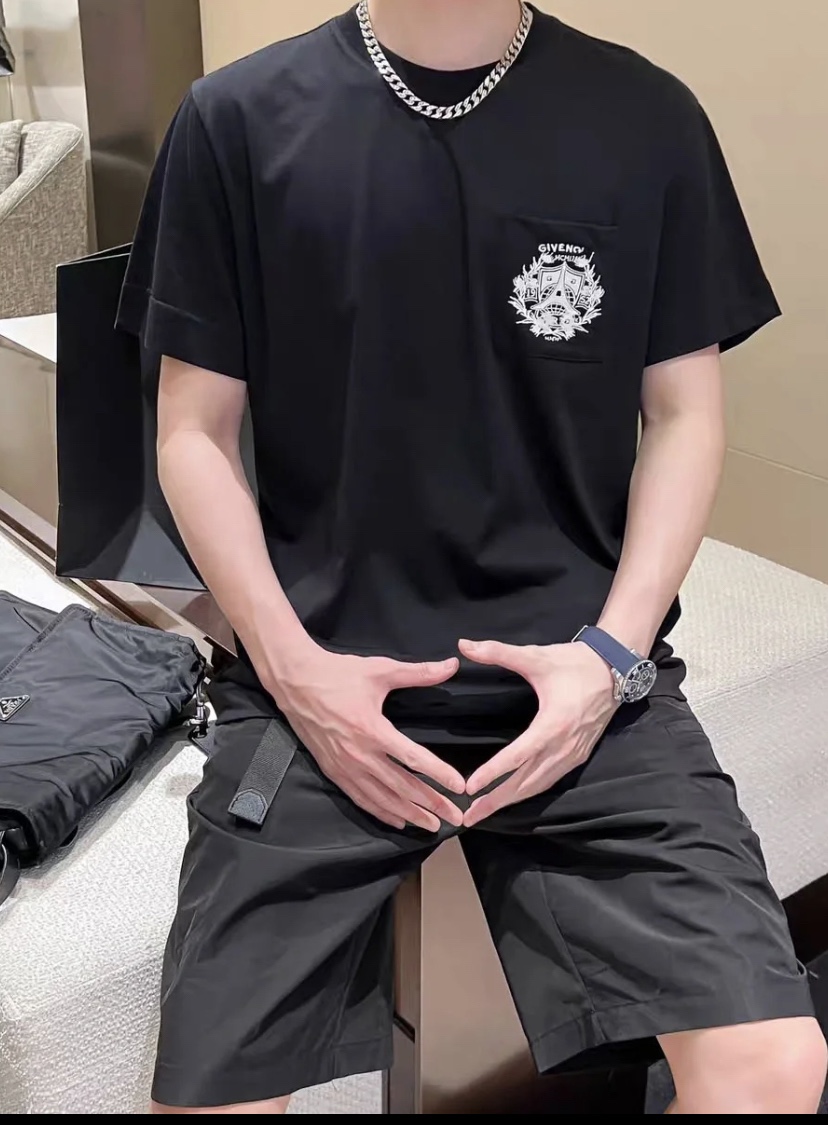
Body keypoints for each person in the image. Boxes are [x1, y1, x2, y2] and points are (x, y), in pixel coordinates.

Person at [119, 0, 827, 1114]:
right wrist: (297, 674)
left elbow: (686, 418)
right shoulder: (236, 119)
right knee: (203, 1098)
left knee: (776, 1065)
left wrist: (612, 658)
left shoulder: (647, 118)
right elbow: (191, 434)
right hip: (319, 673)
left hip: (582, 675)